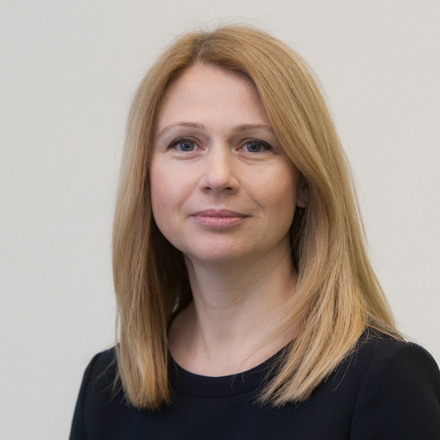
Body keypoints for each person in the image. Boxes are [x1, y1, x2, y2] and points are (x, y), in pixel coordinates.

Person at [70, 25, 440, 439]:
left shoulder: (386, 383)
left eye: (255, 145)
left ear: (304, 181)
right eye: (185, 144)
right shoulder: (105, 389)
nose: (218, 177)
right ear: (146, 177)